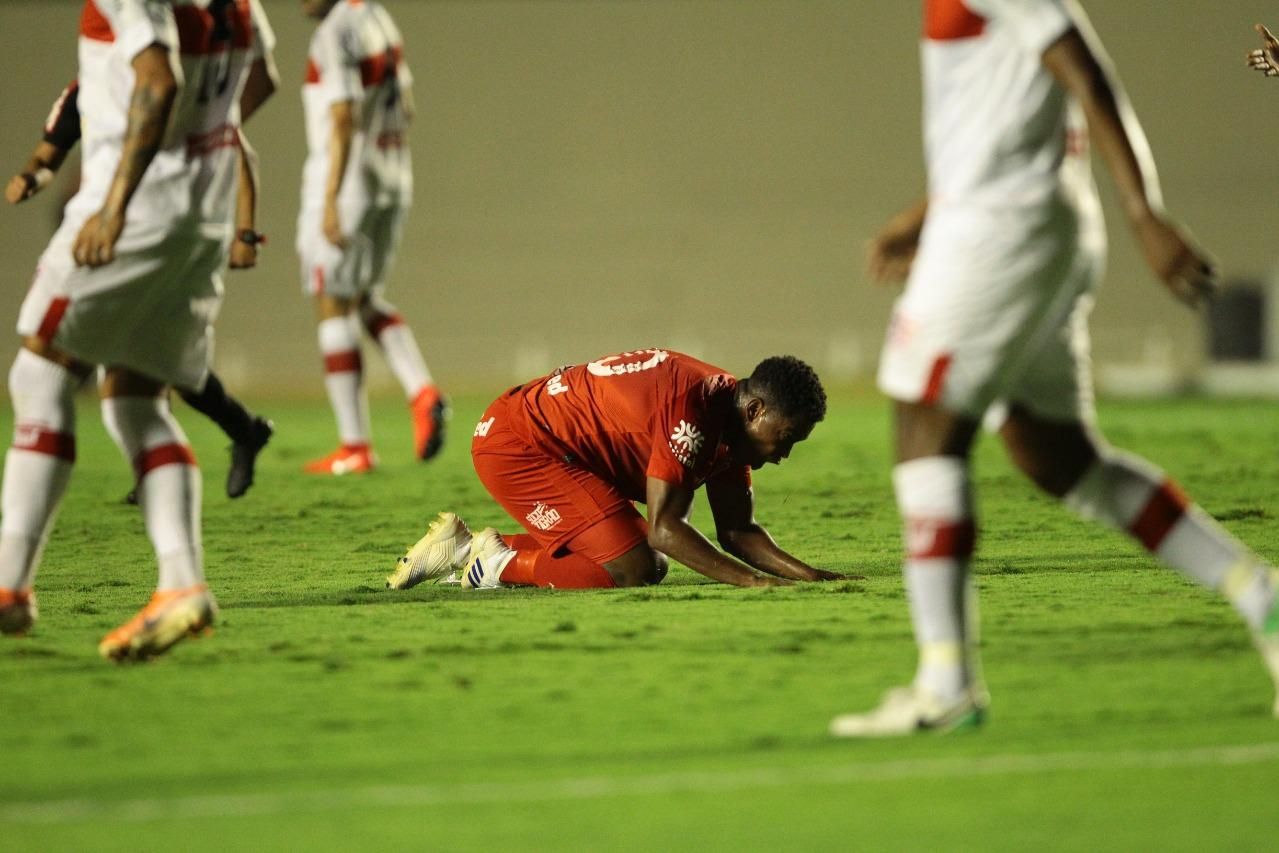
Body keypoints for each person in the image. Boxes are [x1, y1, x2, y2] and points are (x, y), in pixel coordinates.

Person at [830, 0, 1279, 737]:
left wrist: (1144, 212)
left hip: (1001, 230)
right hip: (1016, 220)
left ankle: (944, 681)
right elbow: (1001, 115)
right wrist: (929, 213)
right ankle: (1256, 592)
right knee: (1058, 459)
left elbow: (1083, 69)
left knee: (923, 422)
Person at [0, 0, 277, 660]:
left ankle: (9, 585)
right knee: (134, 398)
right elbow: (262, 73)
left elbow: (158, 81)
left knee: (38, 371)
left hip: (135, 210)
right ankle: (181, 583)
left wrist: (115, 205)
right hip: (199, 219)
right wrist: (203, 138)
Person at [6, 78, 276, 501]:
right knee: (146, 365)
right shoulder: (86, 90)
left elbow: (240, 150)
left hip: (164, 239)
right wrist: (29, 178)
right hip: (107, 239)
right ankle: (237, 432)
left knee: (141, 368)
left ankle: (194, 453)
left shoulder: (172, 85)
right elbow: (48, 153)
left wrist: (245, 234)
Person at [386, 348, 843, 591]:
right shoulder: (692, 411)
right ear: (756, 410)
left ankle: (466, 546)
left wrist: (811, 576)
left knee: (633, 556)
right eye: (784, 439)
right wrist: (753, 582)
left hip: (558, 446)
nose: (783, 456)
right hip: (518, 444)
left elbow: (738, 531)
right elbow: (665, 531)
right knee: (635, 567)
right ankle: (489, 561)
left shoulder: (729, 417)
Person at [298, 0, 445, 475]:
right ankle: (422, 391)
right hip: (393, 173)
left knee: (332, 300)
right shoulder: (378, 17)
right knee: (363, 297)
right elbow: (409, 105)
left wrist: (330, 197)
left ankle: (354, 445)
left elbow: (341, 117)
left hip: (350, 180)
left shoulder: (332, 31)